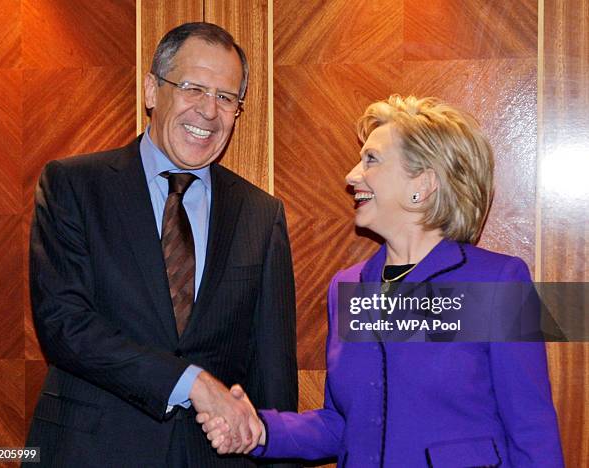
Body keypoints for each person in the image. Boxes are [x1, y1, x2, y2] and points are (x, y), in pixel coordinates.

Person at [199, 95, 564, 467]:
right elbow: (342, 425)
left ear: (422, 183)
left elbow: (532, 434)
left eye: (371, 160)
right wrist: (260, 430)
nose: (352, 176)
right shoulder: (349, 287)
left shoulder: (498, 283)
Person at [25, 22, 298, 467]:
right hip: (91, 452)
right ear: (152, 90)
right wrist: (191, 382)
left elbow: (273, 376)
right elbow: (65, 326)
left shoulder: (261, 215)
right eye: (193, 88)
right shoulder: (75, 186)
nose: (209, 111)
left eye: (226, 98)